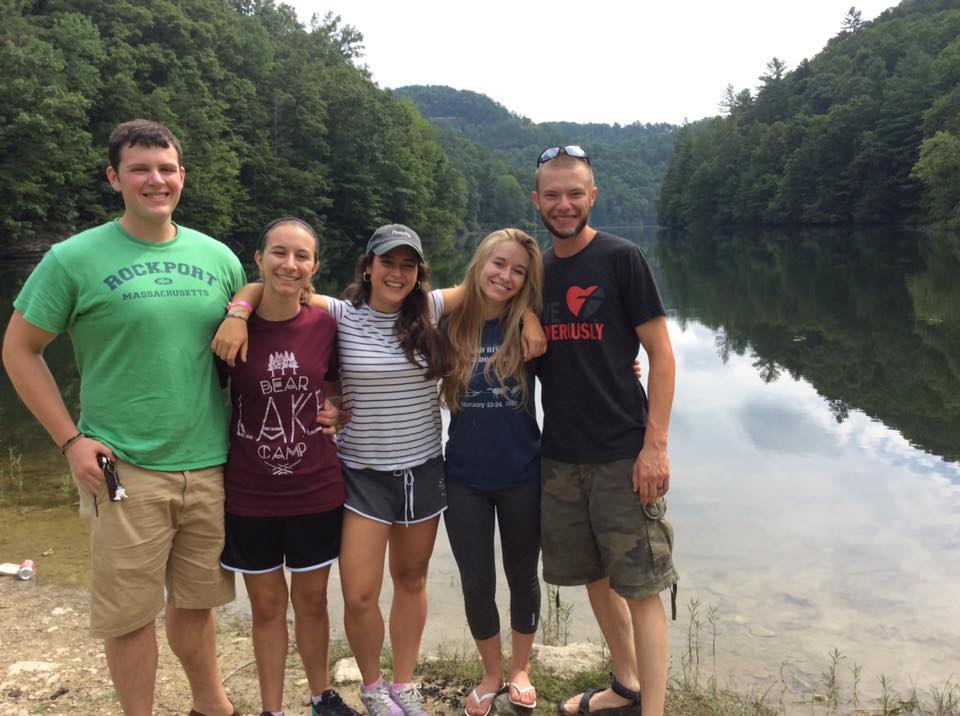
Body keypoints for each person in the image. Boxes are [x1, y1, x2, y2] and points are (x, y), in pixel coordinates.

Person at [2, 119, 247, 716]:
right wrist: (70, 441)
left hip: (210, 464)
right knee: (130, 613)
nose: (155, 180)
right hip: (121, 468)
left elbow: (261, 323)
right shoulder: (72, 259)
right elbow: (19, 349)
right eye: (139, 169)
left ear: (182, 177)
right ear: (115, 177)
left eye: (166, 168)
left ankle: (212, 707)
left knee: (196, 604)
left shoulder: (218, 259)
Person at [532, 145, 678, 716]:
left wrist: (655, 447)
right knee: (594, 575)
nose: (564, 205)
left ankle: (654, 711)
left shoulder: (623, 259)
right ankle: (625, 685)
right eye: (553, 195)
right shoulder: (536, 272)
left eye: (575, 194)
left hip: (623, 453)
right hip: (560, 456)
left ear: (592, 196)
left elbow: (661, 358)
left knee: (642, 586)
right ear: (538, 201)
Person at [218, 217, 358, 716]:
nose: (290, 264)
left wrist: (337, 411)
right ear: (258, 259)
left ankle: (321, 696)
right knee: (267, 608)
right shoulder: (231, 325)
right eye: (279, 252)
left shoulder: (325, 325)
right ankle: (272, 709)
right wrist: (238, 308)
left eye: (302, 257)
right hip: (249, 493)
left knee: (313, 603)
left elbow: (339, 385)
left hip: (315, 490)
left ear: (314, 267)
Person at [441, 229, 544, 716]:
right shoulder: (448, 322)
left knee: (523, 574)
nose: (506, 276)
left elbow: (582, 371)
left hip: (523, 472)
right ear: (480, 263)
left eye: (518, 270)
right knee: (476, 579)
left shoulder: (530, 328)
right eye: (498, 264)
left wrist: (626, 368)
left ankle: (521, 669)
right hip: (463, 476)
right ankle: (492, 673)